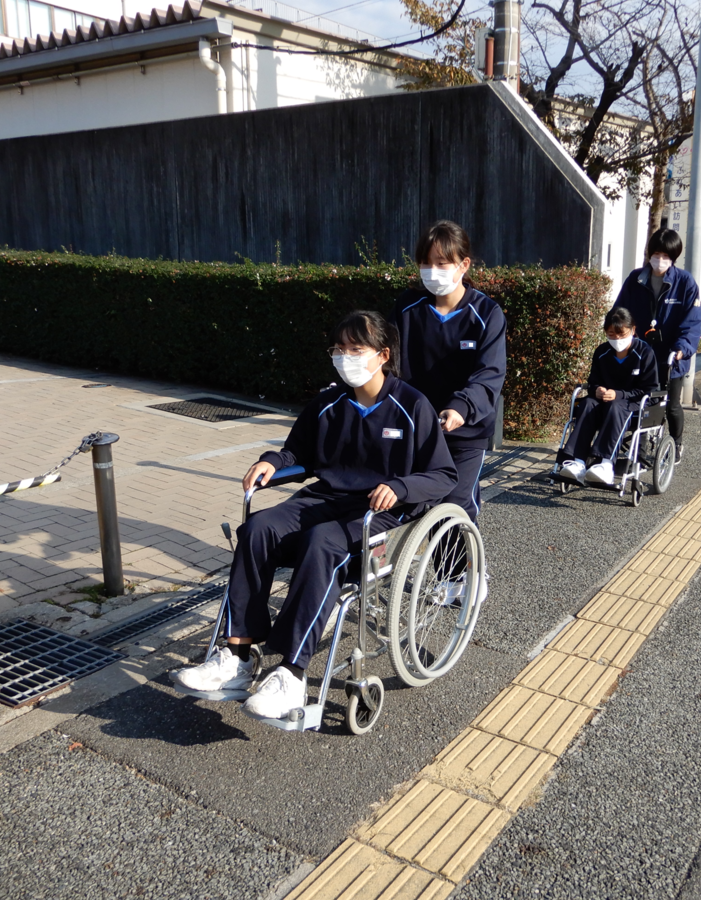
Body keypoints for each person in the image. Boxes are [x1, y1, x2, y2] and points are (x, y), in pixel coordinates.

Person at [171, 311, 457, 719]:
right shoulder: (328, 402)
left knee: (322, 542)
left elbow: (443, 474)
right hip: (325, 496)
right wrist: (272, 462)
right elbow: (296, 452)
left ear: (383, 355)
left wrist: (401, 487)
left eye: (355, 349)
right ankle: (237, 657)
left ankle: (291, 673)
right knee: (257, 529)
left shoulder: (411, 405)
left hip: (378, 510)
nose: (345, 357)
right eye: (339, 349)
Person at [391, 220, 507, 523]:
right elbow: (387, 361)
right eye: (425, 263)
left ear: (463, 265)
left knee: (453, 507)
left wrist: (461, 407)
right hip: (415, 425)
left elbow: (490, 373)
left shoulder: (486, 313)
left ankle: (459, 556)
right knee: (404, 499)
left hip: (464, 432)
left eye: (441, 263)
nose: (432, 270)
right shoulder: (408, 307)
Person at [614, 228, 701, 462]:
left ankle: (677, 443)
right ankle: (638, 449)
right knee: (642, 402)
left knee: (671, 405)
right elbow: (620, 312)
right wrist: (618, 337)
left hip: (671, 357)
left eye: (666, 256)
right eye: (656, 254)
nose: (660, 260)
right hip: (640, 355)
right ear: (649, 254)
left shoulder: (685, 282)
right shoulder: (636, 279)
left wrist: (682, 349)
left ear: (673, 257)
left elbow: (691, 323)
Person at [556, 307, 659, 485]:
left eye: (621, 334)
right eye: (611, 334)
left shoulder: (644, 352)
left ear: (633, 330)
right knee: (587, 404)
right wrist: (596, 389)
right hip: (603, 402)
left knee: (616, 406)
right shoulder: (602, 352)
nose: (617, 339)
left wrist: (619, 394)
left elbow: (650, 389)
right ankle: (577, 461)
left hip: (633, 403)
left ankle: (605, 464)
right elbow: (593, 381)